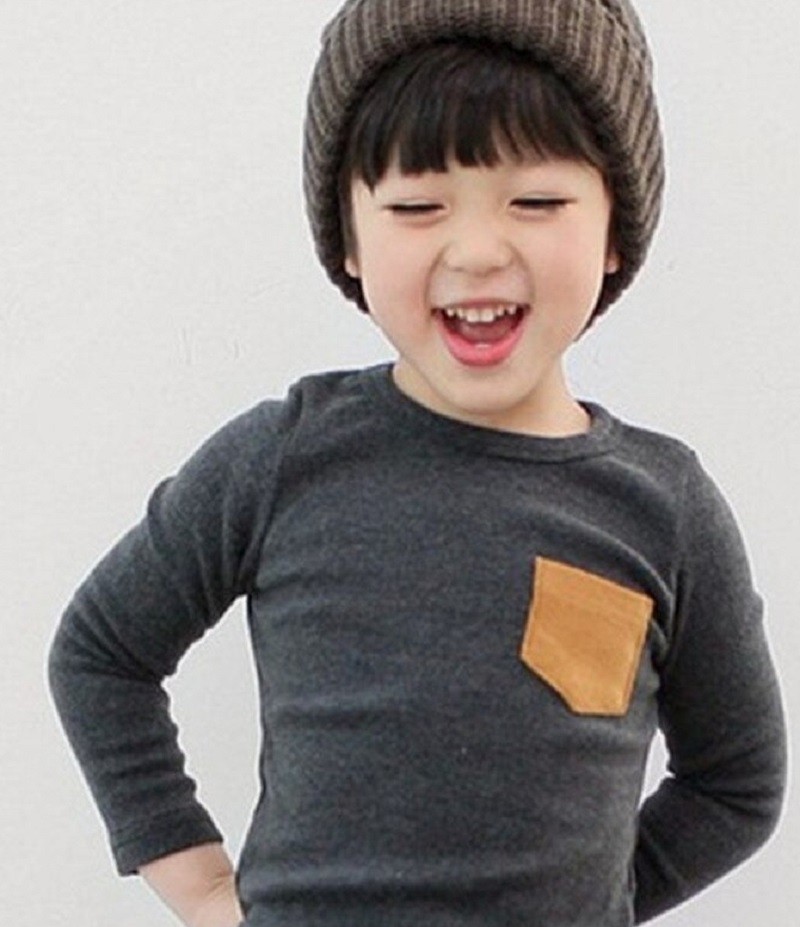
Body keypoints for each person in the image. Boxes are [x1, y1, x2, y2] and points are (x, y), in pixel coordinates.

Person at [48, 2, 787, 925]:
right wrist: (199, 885)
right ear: (350, 240)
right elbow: (101, 651)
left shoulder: (664, 507)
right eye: (415, 207)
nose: (476, 251)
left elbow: (737, 781)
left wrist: (601, 900)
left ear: (614, 230)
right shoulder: (282, 459)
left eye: (537, 201)